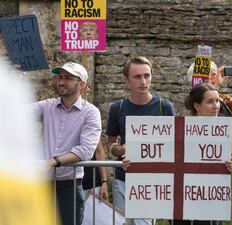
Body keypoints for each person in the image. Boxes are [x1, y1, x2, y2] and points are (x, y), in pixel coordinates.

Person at [187, 61, 232, 225]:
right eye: (210, 74)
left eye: (215, 73)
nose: (214, 76)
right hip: (206, 171)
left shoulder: (223, 100)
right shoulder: (192, 114)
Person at [106, 56, 176, 225]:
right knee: (122, 222)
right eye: (137, 77)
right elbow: (110, 144)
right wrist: (120, 150)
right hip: (123, 177)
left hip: (151, 179)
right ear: (126, 80)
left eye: (147, 75)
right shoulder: (118, 108)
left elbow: (175, 145)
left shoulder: (164, 107)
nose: (143, 81)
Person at [35, 62, 102, 225]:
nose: (61, 82)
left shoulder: (91, 112)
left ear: (82, 84)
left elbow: (86, 150)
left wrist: (54, 161)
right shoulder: (47, 106)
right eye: (59, 77)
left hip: (69, 189)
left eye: (68, 78)